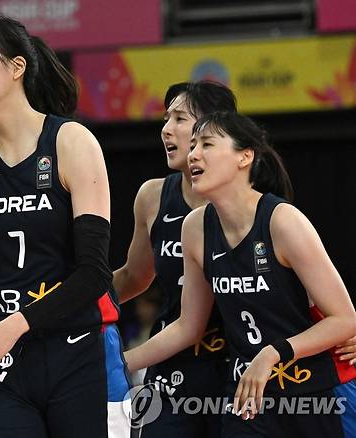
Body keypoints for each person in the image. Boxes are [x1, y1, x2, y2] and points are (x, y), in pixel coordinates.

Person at [0, 14, 130, 438]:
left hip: (75, 352)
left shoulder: (71, 142)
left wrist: (15, 323)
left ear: (17, 66)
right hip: (1, 365)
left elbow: (94, 274)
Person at [124, 111, 356, 437]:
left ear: (245, 157)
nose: (193, 155)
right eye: (192, 146)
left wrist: (273, 352)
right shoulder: (195, 228)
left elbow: (346, 320)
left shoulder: (282, 221)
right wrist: (120, 363)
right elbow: (188, 326)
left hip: (314, 394)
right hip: (248, 398)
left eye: (206, 144)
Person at [113, 81, 237, 437]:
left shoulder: (250, 203)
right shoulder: (153, 196)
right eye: (165, 118)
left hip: (236, 361)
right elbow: (133, 278)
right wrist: (62, 306)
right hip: (172, 361)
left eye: (180, 118)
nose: (166, 129)